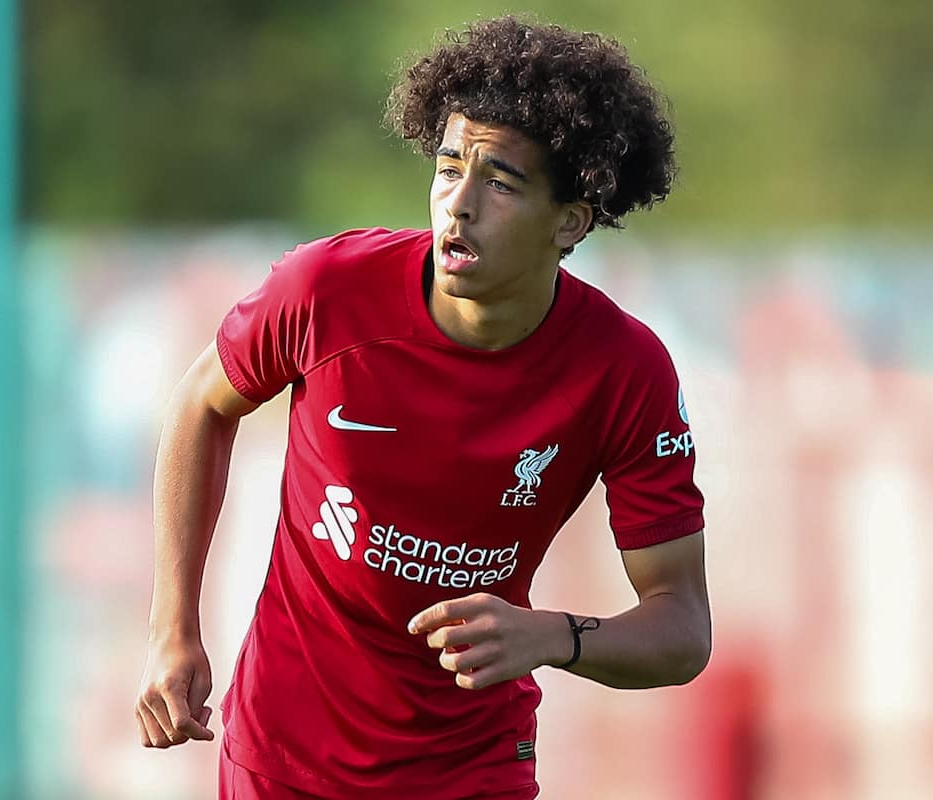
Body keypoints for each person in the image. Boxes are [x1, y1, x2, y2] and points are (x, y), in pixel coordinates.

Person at [137, 15, 711, 800]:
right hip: (283, 760)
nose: (458, 204)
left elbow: (681, 629)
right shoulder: (326, 293)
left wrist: (553, 636)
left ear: (570, 220)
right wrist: (173, 629)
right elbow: (201, 405)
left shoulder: (624, 371)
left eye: (500, 183)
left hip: (470, 772)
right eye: (448, 168)